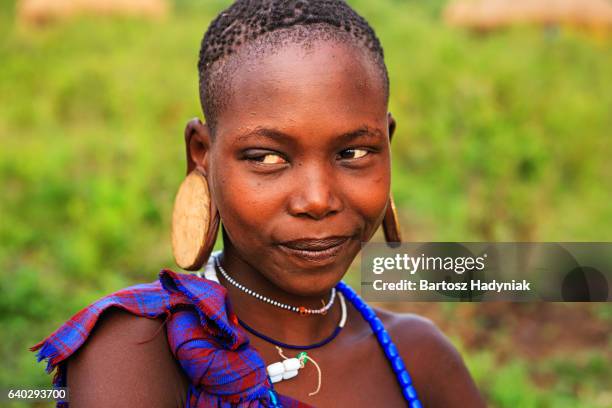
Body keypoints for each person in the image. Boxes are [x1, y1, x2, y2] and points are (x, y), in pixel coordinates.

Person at [31, 1, 485, 407]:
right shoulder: (138, 350)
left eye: (353, 153)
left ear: (387, 145)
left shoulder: (417, 356)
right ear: (202, 155)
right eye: (267, 157)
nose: (317, 200)